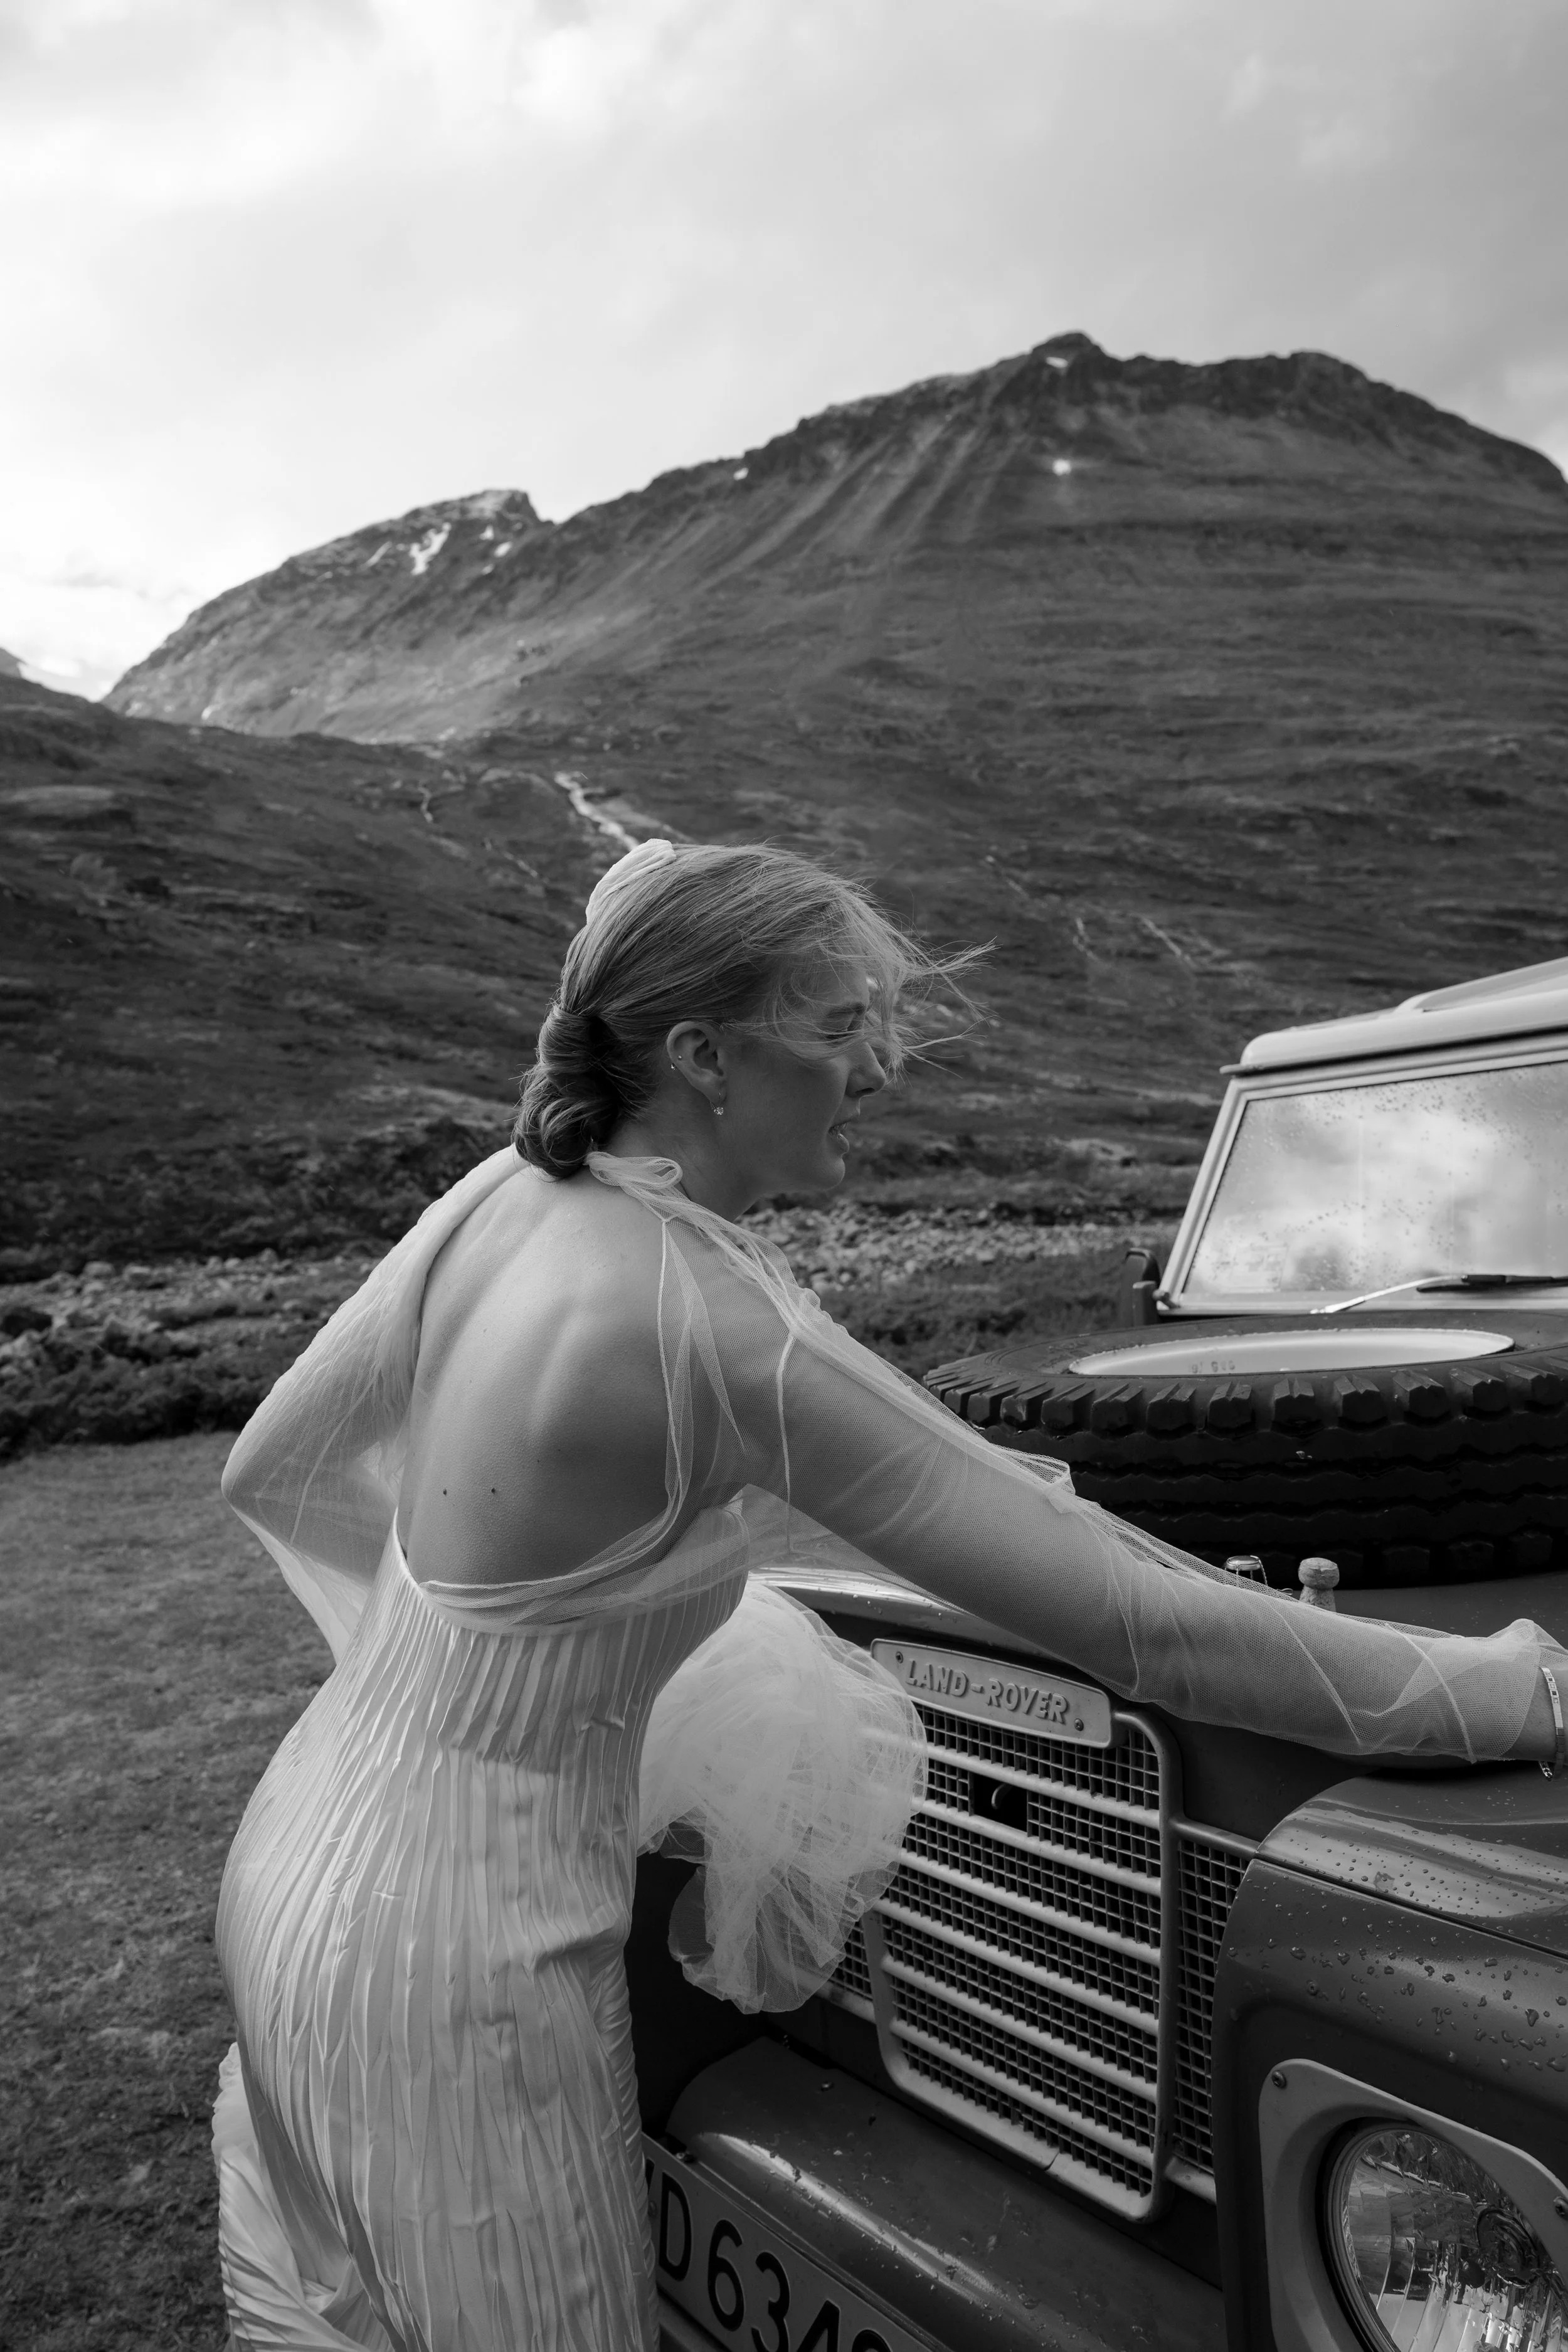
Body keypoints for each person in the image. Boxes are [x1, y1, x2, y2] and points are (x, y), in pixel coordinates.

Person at [213, 839, 1567, 2352]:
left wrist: (474, 1681)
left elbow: (276, 1465)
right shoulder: (715, 1330)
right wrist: (1514, 1686)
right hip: (462, 1962)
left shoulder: (502, 1202)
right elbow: (1137, 1619)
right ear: (702, 1055)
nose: (875, 1067)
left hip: (301, 1857)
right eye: (839, 1025)